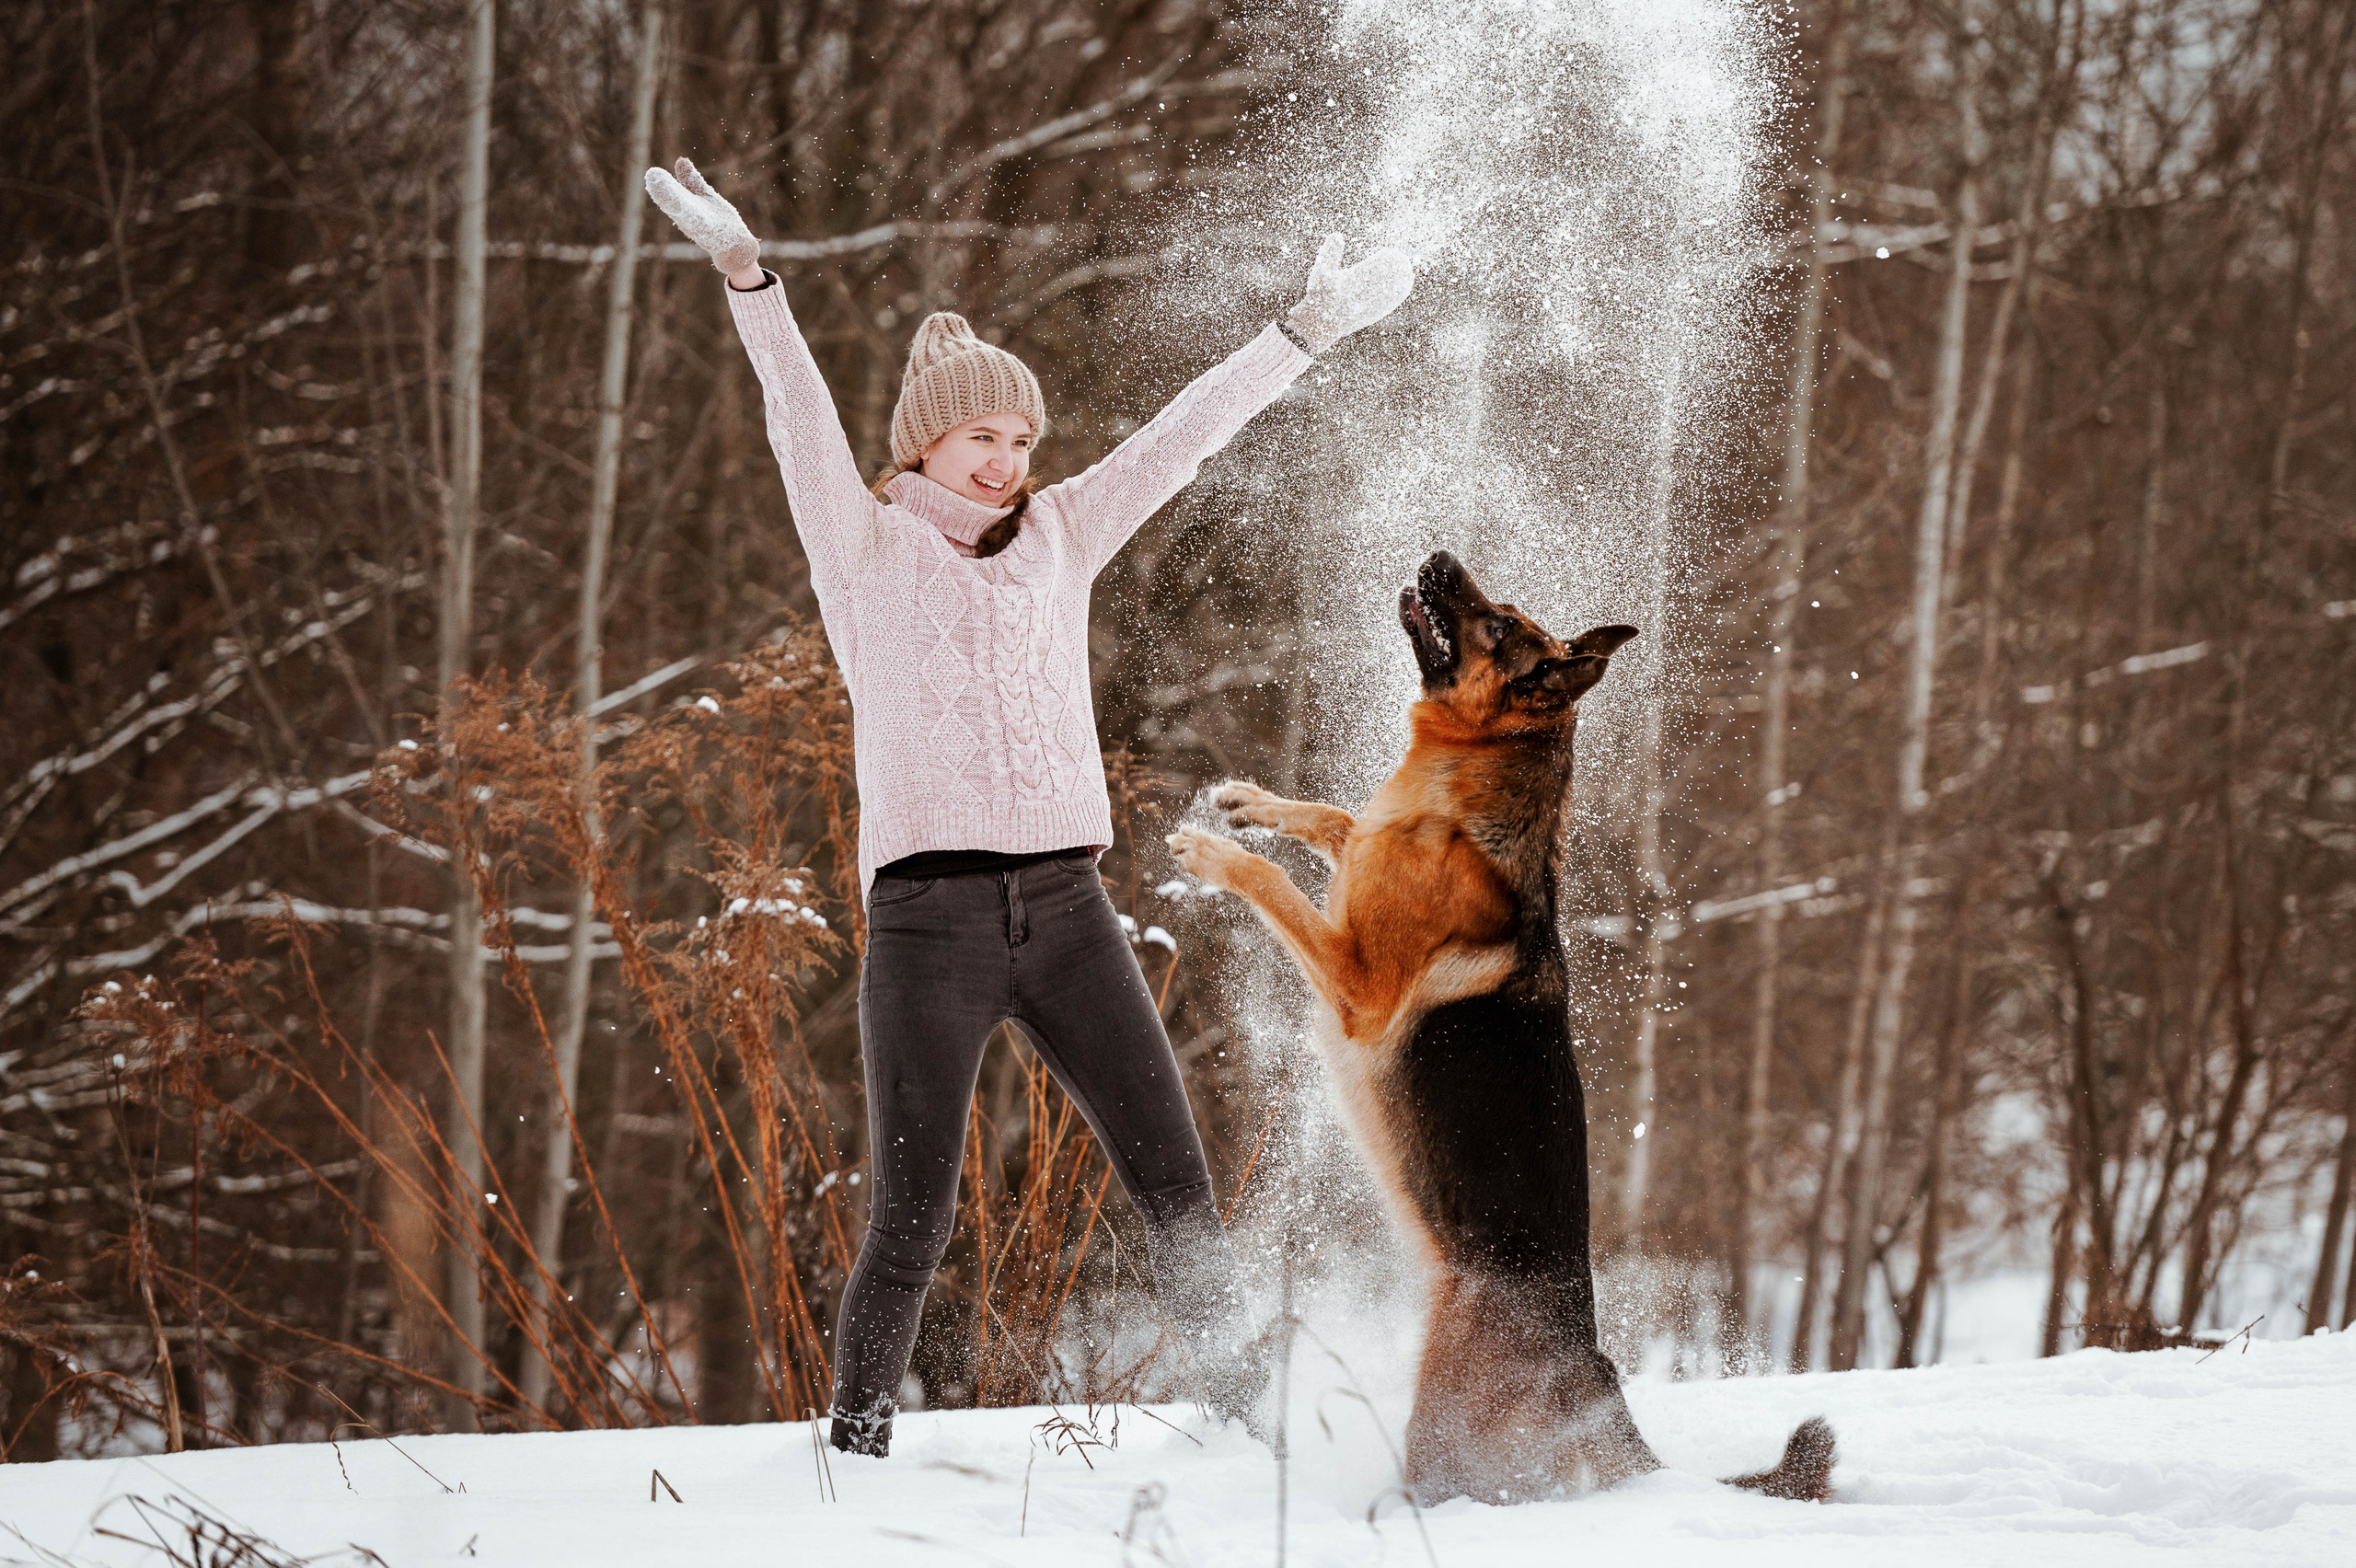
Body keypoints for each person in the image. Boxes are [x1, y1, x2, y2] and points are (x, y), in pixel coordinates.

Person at [644, 157, 1413, 1456]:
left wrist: (1301, 333)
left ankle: (1247, 1436)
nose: (1005, 461)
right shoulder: (864, 542)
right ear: (925, 442)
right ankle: (854, 1453)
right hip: (928, 928)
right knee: (910, 1223)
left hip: (1067, 912)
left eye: (1018, 439)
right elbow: (797, 416)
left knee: (1174, 1184)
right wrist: (747, 277)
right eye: (981, 437)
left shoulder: (1063, 531)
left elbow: (1181, 438)